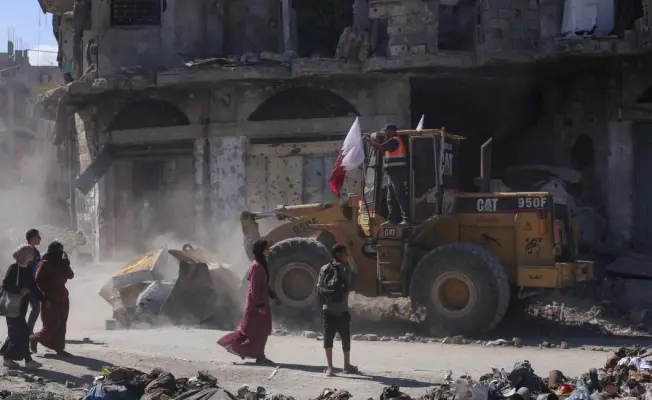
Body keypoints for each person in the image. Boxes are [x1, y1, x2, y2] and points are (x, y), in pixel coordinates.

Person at [217, 239, 280, 365]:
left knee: (261, 331)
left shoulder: (261, 264)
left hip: (261, 302)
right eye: (267, 248)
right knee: (251, 330)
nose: (269, 250)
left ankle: (259, 355)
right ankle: (239, 348)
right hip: (256, 305)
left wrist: (273, 295)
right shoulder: (256, 266)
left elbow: (264, 284)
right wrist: (259, 305)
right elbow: (255, 288)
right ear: (261, 250)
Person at [0, 244, 48, 369]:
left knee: (16, 333)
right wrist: (20, 291)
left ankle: (9, 358)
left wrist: (43, 300)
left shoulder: (27, 268)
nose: (33, 255)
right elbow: (5, 285)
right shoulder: (14, 268)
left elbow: (32, 286)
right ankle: (27, 360)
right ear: (24, 255)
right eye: (31, 253)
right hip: (12, 307)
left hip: (21, 306)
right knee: (22, 332)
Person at [317, 244, 358, 377]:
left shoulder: (324, 268)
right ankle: (346, 366)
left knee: (328, 338)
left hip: (327, 309)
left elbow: (319, 288)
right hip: (342, 309)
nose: (347, 255)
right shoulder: (345, 268)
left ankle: (330, 368)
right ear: (339, 254)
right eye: (345, 253)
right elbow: (349, 286)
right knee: (345, 337)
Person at [31, 241, 74, 356]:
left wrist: (66, 263)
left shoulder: (62, 263)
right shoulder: (45, 263)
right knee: (50, 325)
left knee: (62, 323)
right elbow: (38, 280)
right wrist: (45, 295)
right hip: (50, 297)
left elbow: (70, 275)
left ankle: (59, 348)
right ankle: (35, 338)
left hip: (63, 296)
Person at [365, 124, 410, 225]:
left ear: (392, 131)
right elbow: (382, 148)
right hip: (392, 173)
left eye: (386, 131)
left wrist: (369, 140)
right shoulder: (392, 141)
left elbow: (381, 148)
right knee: (391, 197)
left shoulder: (394, 141)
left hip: (397, 173)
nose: (385, 133)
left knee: (400, 195)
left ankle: (406, 219)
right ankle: (392, 219)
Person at [25, 229, 42, 338]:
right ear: (31, 238)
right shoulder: (25, 250)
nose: (40, 238)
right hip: (24, 285)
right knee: (19, 314)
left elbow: (37, 267)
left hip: (32, 284)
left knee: (36, 308)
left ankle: (28, 332)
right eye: (37, 236)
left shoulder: (36, 252)